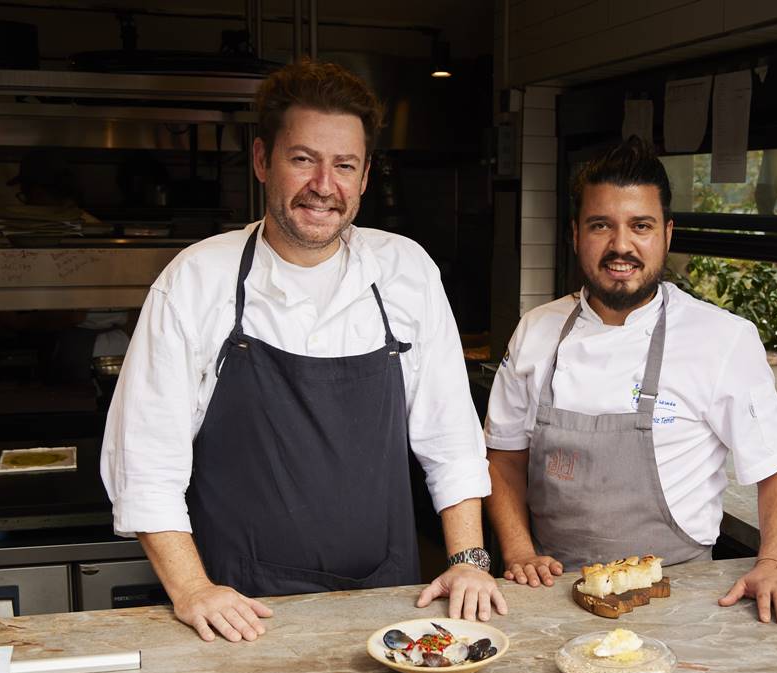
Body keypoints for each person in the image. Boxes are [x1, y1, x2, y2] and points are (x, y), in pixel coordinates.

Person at [101, 60, 504, 643]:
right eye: (302, 159)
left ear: (365, 178)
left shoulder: (406, 271)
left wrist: (470, 559)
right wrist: (192, 589)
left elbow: (450, 437)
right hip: (241, 612)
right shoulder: (196, 279)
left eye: (345, 165)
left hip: (386, 601)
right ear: (263, 160)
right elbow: (143, 461)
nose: (324, 185)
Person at [484, 137, 777, 625]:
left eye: (640, 226)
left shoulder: (722, 338)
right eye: (602, 226)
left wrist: (773, 564)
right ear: (576, 234)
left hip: (677, 596)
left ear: (667, 234)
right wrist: (517, 552)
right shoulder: (536, 330)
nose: (621, 245)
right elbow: (503, 460)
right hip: (548, 587)